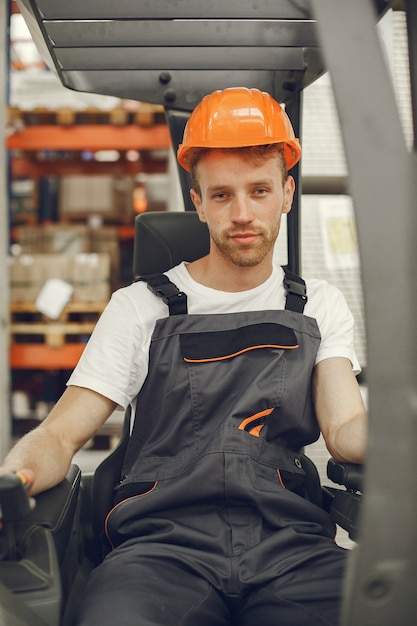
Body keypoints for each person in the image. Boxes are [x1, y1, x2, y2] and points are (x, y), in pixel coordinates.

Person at [2, 87, 367, 625]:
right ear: (197, 202)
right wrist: (16, 476)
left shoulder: (318, 305)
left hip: (291, 547)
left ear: (287, 193)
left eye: (259, 190)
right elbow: (59, 435)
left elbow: (346, 429)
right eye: (221, 195)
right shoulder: (141, 307)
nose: (242, 214)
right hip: (162, 552)